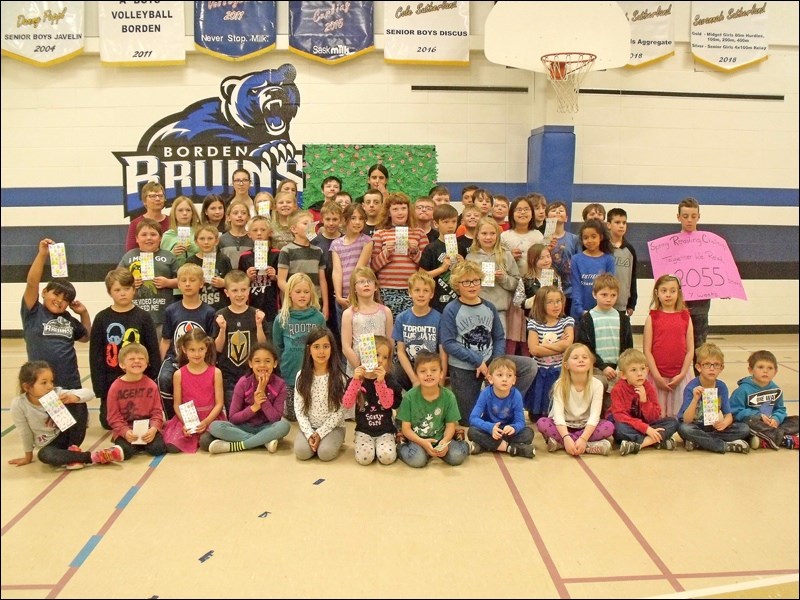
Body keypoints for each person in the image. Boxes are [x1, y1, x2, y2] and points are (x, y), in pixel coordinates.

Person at [22, 238, 92, 447]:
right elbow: (32, 282)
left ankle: (72, 450)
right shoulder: (33, 312)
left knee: (77, 428)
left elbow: (86, 337)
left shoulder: (68, 320)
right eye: (56, 294)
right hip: (45, 385)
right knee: (57, 427)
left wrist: (84, 313)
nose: (60, 301)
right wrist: (42, 254)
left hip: (70, 381)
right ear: (44, 293)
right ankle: (60, 451)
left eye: (66, 300)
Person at [9, 361, 123, 469]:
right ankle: (93, 456)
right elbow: (24, 432)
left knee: (77, 402)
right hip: (50, 445)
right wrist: (28, 457)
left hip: (70, 435)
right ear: (27, 387)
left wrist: (74, 397)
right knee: (44, 455)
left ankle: (72, 451)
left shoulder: (55, 393)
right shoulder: (19, 404)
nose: (49, 386)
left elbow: (90, 393)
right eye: (44, 382)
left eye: (51, 381)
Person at [90, 268, 160, 430]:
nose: (123, 293)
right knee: (108, 423)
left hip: (139, 379)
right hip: (112, 379)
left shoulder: (143, 317)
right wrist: (100, 388)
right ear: (109, 292)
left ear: (134, 290)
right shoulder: (102, 318)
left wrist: (153, 377)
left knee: (140, 419)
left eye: (127, 289)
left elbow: (152, 349)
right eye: (117, 290)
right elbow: (96, 355)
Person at [157, 263, 217, 419]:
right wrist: (160, 364)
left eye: (192, 280)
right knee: (163, 378)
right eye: (183, 280)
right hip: (175, 359)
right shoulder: (171, 310)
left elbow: (211, 343)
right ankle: (172, 419)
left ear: (202, 283)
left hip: (199, 360)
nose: (188, 284)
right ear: (178, 283)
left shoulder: (209, 312)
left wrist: (209, 364)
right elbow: (166, 340)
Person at [207, 343, 291, 454]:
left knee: (284, 426)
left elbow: (275, 418)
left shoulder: (280, 385)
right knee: (214, 426)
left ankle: (235, 446)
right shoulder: (243, 383)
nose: (262, 365)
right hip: (243, 427)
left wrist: (262, 395)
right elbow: (233, 418)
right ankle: (263, 441)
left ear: (275, 364)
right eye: (257, 361)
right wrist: (254, 407)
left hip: (267, 427)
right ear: (250, 364)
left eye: (267, 361)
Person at [537, 342, 614, 455]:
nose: (581, 360)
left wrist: (583, 438)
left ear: (591, 363)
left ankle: (562, 444)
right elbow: (558, 416)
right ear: (566, 365)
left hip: (586, 426)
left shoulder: (597, 384)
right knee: (542, 423)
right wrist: (566, 437)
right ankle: (587, 446)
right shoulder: (560, 384)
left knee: (609, 427)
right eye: (575, 357)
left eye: (585, 357)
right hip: (565, 426)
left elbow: (594, 416)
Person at [396, 350, 470, 467]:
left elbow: (451, 425)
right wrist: (423, 443)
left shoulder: (449, 396)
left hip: (440, 438)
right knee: (418, 461)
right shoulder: (409, 397)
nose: (429, 374)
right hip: (418, 440)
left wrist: (445, 442)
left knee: (456, 456)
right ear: (416, 375)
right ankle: (401, 445)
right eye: (423, 371)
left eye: (434, 370)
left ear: (441, 373)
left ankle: (461, 442)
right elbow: (406, 429)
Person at [677, 343, 751, 453]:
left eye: (716, 365)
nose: (712, 369)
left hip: (712, 428)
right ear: (698, 367)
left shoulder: (721, 387)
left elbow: (728, 416)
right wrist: (695, 399)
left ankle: (699, 442)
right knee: (684, 429)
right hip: (694, 426)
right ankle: (723, 446)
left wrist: (724, 423)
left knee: (744, 429)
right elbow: (687, 420)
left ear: (721, 368)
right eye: (707, 364)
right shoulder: (691, 387)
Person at [342, 335, 403, 465]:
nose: (380, 360)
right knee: (365, 459)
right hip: (364, 430)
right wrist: (356, 381)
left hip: (385, 430)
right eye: (376, 355)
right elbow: (347, 404)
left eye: (385, 357)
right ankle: (364, 444)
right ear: (366, 355)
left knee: (387, 458)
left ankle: (384, 444)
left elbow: (388, 405)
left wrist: (380, 383)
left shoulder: (389, 380)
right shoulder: (356, 380)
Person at [273, 273, 326, 420]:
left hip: (313, 373)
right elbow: (277, 346)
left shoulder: (318, 317)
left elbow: (324, 344)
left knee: (313, 415)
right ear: (289, 293)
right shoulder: (281, 318)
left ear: (311, 294)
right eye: (298, 292)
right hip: (289, 373)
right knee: (292, 416)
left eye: (306, 292)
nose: (302, 295)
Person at [162, 329, 225, 453]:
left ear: (206, 348)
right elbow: (177, 404)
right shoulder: (179, 374)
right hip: (187, 420)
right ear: (184, 350)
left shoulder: (216, 372)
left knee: (206, 442)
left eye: (201, 349)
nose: (197, 354)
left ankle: (206, 437)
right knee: (171, 447)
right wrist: (185, 423)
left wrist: (206, 422)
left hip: (210, 418)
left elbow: (219, 404)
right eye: (192, 350)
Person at [575, 274, 633, 407]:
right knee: (596, 405)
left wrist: (621, 367)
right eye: (604, 294)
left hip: (618, 370)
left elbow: (628, 348)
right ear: (595, 294)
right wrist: (603, 367)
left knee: (616, 407)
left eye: (613, 295)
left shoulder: (623, 319)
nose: (609, 299)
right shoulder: (587, 319)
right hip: (596, 370)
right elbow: (585, 349)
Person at [214, 269, 267, 413]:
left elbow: (263, 346)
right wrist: (222, 330)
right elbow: (217, 349)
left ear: (249, 290)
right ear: (226, 293)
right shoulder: (220, 315)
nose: (239, 294)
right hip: (228, 376)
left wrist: (259, 325)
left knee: (254, 413)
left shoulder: (256, 314)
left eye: (243, 289)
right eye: (235, 290)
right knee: (234, 414)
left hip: (251, 375)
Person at [609, 349, 680, 455]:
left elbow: (655, 416)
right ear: (623, 375)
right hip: (629, 425)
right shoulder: (618, 389)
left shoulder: (648, 387)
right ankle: (657, 440)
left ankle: (638, 444)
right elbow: (620, 416)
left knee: (673, 422)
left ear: (647, 370)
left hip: (646, 424)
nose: (639, 373)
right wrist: (646, 429)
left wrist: (644, 401)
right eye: (633, 370)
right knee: (619, 429)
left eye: (642, 369)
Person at [370, 192, 429, 319]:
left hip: (412, 289)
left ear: (409, 210)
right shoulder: (380, 234)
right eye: (395, 209)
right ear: (389, 213)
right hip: (386, 289)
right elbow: (372, 267)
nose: (400, 212)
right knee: (390, 327)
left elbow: (427, 266)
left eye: (403, 208)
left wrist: (415, 252)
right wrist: (386, 253)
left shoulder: (419, 233)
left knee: (409, 324)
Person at [293, 327, 347, 461]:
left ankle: (333, 441)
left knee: (325, 453)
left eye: (326, 346)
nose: (321, 351)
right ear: (309, 350)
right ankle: (314, 441)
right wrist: (310, 433)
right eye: (316, 347)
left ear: (332, 349)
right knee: (301, 452)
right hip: (310, 426)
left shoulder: (339, 377)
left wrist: (320, 433)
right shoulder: (301, 376)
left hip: (333, 427)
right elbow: (299, 410)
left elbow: (340, 411)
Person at [106, 343, 168, 460]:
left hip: (148, 428)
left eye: (141, 359)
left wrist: (153, 429)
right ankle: (132, 446)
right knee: (127, 452)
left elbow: (157, 412)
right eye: (131, 359)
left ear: (146, 363)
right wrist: (125, 432)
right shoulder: (115, 387)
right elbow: (113, 417)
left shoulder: (152, 385)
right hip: (126, 428)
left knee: (158, 449)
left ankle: (141, 445)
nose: (137, 361)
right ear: (122, 364)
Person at [643, 274, 694, 418]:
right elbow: (647, 350)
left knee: (679, 415)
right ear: (657, 293)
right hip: (656, 375)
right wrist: (657, 376)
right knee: (657, 415)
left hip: (679, 376)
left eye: (672, 291)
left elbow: (690, 350)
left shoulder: (685, 316)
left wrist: (682, 374)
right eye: (664, 290)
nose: (668, 295)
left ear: (679, 293)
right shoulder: (652, 317)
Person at [118, 218, 179, 332]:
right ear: (137, 238)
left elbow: (182, 281)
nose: (149, 238)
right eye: (144, 234)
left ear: (160, 238)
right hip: (134, 314)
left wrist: (168, 282)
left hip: (162, 315)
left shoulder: (169, 256)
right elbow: (116, 281)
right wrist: (130, 282)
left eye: (153, 234)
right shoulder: (129, 256)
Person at [730, 350, 799, 450]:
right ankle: (783, 439)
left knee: (796, 420)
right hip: (752, 422)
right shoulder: (743, 389)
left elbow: (780, 410)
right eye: (760, 367)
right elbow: (734, 412)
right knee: (751, 423)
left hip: (770, 424)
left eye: (770, 368)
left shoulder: (776, 390)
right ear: (750, 370)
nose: (765, 371)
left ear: (775, 372)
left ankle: (765, 439)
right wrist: (759, 416)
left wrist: (776, 419)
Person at [525, 286, 574, 423]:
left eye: (558, 301)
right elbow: (534, 350)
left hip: (560, 370)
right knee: (537, 415)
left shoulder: (567, 322)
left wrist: (542, 346)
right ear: (541, 304)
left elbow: (567, 345)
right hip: (541, 371)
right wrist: (558, 345)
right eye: (550, 302)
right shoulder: (534, 324)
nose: (556, 305)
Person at [467, 358, 535, 458]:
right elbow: (473, 418)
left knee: (529, 433)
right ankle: (511, 448)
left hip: (507, 433)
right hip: (490, 431)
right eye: (500, 375)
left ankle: (486, 445)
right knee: (472, 431)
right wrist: (490, 427)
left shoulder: (516, 395)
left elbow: (521, 422)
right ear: (490, 379)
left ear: (514, 380)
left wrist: (514, 428)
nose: (504, 379)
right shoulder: (486, 393)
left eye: (509, 375)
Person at [501, 196, 543, 354]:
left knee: (529, 329)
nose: (523, 212)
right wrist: (509, 255)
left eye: (526, 209)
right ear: (511, 213)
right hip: (511, 288)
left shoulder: (538, 236)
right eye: (519, 209)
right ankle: (509, 362)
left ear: (532, 213)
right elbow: (500, 262)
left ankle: (528, 361)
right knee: (512, 329)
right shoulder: (504, 236)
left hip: (532, 290)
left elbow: (544, 260)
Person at [392, 272, 446, 391]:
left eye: (425, 291)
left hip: (431, 365)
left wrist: (440, 383)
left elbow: (443, 353)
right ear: (410, 292)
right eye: (417, 290)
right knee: (395, 372)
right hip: (410, 366)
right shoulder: (402, 318)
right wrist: (414, 379)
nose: (421, 295)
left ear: (431, 294)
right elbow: (400, 351)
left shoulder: (439, 318)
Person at [465, 216, 520, 335]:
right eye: (484, 233)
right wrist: (478, 279)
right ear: (477, 235)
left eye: (492, 233)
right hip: (475, 308)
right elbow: (465, 284)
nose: (488, 237)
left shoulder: (506, 255)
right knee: (477, 341)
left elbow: (516, 283)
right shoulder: (471, 257)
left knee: (499, 345)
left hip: (499, 311)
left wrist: (503, 279)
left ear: (497, 235)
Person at [341, 267, 393, 377]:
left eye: (369, 281)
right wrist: (361, 367)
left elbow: (390, 343)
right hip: (358, 371)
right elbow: (346, 347)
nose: (366, 284)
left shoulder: (386, 312)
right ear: (354, 288)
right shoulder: (349, 314)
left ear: (375, 286)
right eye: (361, 282)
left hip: (380, 372)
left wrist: (384, 367)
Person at [277, 210, 329, 319]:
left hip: (314, 303)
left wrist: (326, 305)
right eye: (305, 223)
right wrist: (295, 295)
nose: (310, 226)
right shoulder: (286, 250)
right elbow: (281, 281)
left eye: (311, 223)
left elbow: (322, 280)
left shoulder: (318, 251)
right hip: (293, 305)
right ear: (293, 229)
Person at [676, 197, 711, 353]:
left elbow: (717, 269)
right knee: (678, 346)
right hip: (677, 304)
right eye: (685, 216)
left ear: (699, 216)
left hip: (701, 305)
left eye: (693, 216)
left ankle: (699, 378)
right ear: (678, 217)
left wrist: (724, 288)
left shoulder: (709, 243)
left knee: (699, 348)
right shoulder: (670, 246)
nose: (689, 220)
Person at [331, 204, 373, 328]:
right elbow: (337, 271)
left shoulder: (366, 241)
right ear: (345, 220)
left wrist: (352, 294)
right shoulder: (336, 244)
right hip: (343, 298)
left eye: (361, 219)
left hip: (360, 295)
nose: (357, 222)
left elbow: (359, 269)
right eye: (353, 218)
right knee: (345, 334)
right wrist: (338, 296)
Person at [237, 215, 279, 331]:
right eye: (255, 230)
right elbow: (238, 283)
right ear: (249, 234)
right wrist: (247, 278)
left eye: (263, 230)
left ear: (270, 233)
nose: (259, 233)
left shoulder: (277, 254)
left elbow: (285, 280)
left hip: (272, 306)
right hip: (252, 305)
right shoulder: (244, 257)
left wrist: (275, 276)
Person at [570, 219, 616, 321]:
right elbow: (576, 286)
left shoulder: (609, 260)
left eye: (593, 236)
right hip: (580, 312)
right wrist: (580, 310)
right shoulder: (576, 259)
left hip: (602, 312)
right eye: (585, 238)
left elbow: (610, 287)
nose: (589, 240)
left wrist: (602, 309)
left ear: (601, 237)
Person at [420, 203, 462, 314]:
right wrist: (442, 269)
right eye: (446, 222)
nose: (451, 226)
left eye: (454, 221)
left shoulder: (461, 245)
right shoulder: (431, 248)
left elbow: (468, 275)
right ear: (436, 223)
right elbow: (421, 276)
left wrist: (463, 264)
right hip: (436, 302)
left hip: (459, 300)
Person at [545, 202, 581, 317]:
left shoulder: (574, 239)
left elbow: (578, 263)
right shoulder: (542, 239)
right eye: (553, 210)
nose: (557, 212)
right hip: (548, 287)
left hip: (569, 290)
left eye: (561, 210)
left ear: (566, 218)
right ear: (546, 218)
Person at [186, 224, 233, 311]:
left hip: (220, 306)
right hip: (198, 307)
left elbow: (233, 282)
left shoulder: (223, 259)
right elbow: (185, 283)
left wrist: (224, 283)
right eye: (202, 239)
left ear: (216, 241)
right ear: (196, 241)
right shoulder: (190, 261)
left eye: (210, 238)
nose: (206, 242)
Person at [312, 201, 342, 332]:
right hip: (321, 293)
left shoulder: (345, 240)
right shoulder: (314, 242)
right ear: (322, 220)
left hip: (340, 292)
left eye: (335, 219)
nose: (331, 223)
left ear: (341, 220)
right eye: (328, 219)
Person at [606, 208, 638, 316]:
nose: (621, 225)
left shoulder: (630, 249)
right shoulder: (603, 247)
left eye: (624, 222)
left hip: (622, 304)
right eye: (617, 222)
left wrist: (632, 303)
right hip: (603, 302)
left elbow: (632, 277)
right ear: (608, 225)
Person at [125, 181, 169, 251]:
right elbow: (131, 252)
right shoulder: (135, 223)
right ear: (144, 201)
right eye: (153, 196)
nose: (158, 199)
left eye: (161, 196)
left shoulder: (172, 221)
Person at [160, 195, 201, 268]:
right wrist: (172, 253)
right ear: (174, 213)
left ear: (192, 213)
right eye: (180, 210)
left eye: (188, 210)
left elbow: (208, 254)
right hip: (174, 276)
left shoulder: (200, 233)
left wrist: (193, 248)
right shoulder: (167, 236)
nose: (184, 213)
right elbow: (161, 261)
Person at [521, 243, 561, 318]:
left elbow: (561, 297)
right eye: (541, 258)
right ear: (532, 260)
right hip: (533, 320)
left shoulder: (555, 278)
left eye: (548, 256)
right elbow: (518, 301)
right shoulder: (526, 280)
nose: (546, 260)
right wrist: (532, 301)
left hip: (553, 319)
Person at [218, 199, 254, 269]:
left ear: (248, 217)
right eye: (235, 213)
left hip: (247, 277)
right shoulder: (221, 239)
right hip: (228, 278)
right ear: (228, 217)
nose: (240, 215)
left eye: (243, 213)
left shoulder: (252, 238)